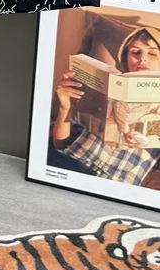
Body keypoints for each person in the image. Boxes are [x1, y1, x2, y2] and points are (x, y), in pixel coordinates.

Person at [52, 26, 160, 185]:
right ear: (126, 58)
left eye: (152, 53)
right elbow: (60, 144)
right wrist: (65, 108)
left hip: (114, 183)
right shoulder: (106, 87)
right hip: (71, 164)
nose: (142, 58)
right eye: (135, 52)